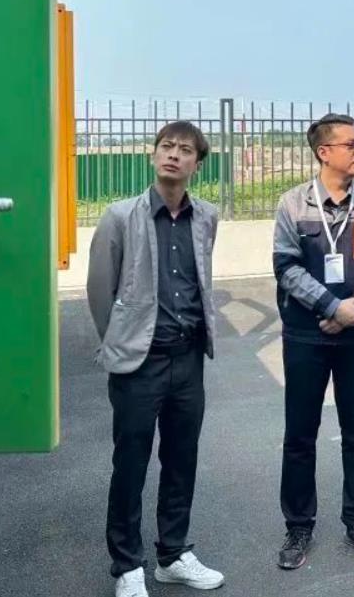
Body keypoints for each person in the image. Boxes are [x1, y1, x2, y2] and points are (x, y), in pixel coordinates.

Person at [87, 121, 225, 597]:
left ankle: (173, 555)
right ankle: (127, 565)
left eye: (185, 150)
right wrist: (121, 342)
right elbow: (100, 290)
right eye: (167, 146)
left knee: (182, 459)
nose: (173, 155)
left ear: (196, 164)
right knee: (130, 464)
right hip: (138, 363)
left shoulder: (206, 217)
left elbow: (200, 277)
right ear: (153, 155)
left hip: (188, 359)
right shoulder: (119, 216)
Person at [273, 114, 354, 569]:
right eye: (351, 144)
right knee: (300, 434)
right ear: (324, 152)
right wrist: (330, 306)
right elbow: (286, 267)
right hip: (306, 335)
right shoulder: (293, 204)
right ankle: (298, 527)